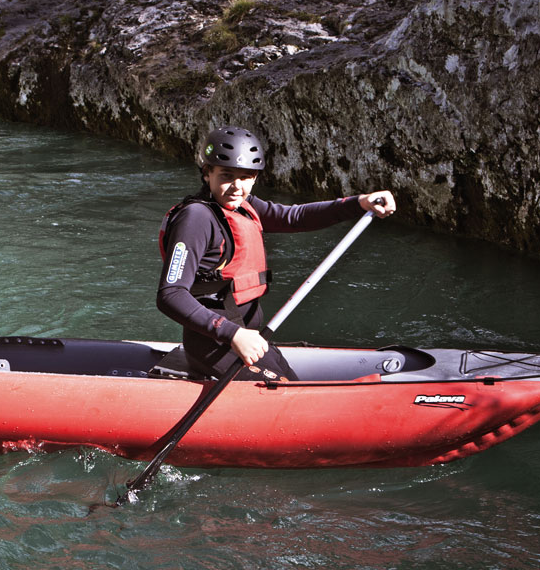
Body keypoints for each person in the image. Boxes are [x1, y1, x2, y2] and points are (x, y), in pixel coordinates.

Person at [156, 126, 397, 380]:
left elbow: (294, 217)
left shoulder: (243, 206)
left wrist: (358, 203)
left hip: (248, 338)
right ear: (207, 173)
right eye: (226, 175)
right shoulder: (196, 218)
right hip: (216, 343)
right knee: (288, 395)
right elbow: (170, 295)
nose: (237, 187)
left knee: (293, 384)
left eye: (246, 177)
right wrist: (232, 333)